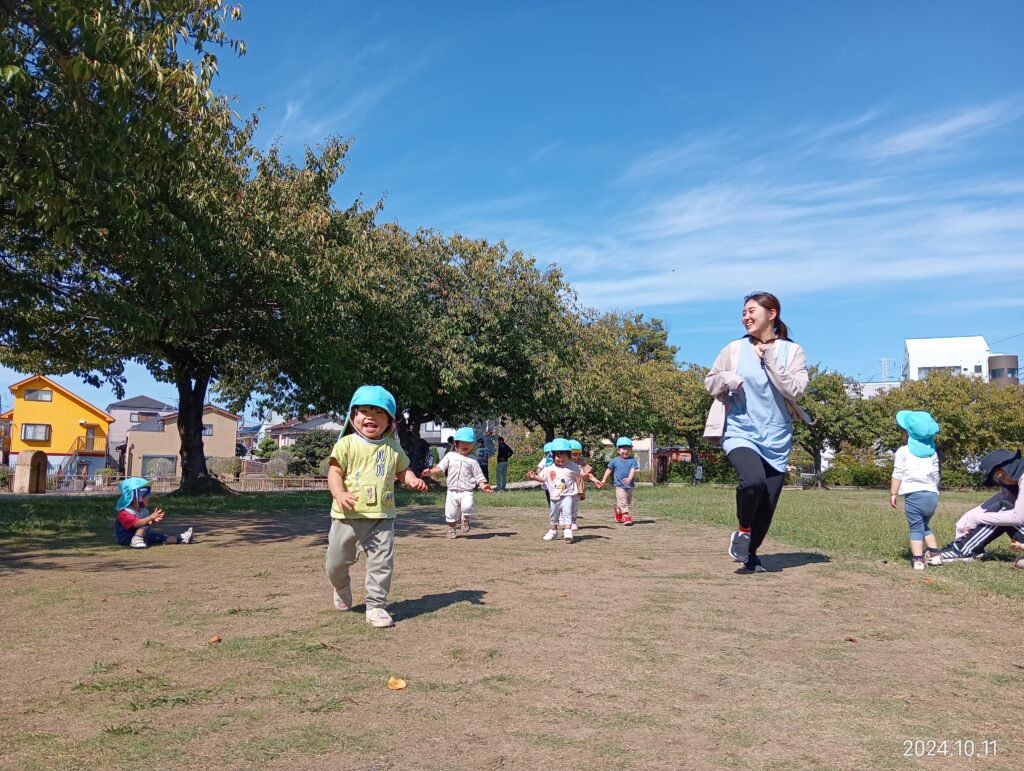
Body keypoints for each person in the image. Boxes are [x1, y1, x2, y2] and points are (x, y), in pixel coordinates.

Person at [704, 291, 811, 573]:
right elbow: (710, 382)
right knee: (752, 481)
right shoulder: (733, 349)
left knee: (767, 504)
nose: (746, 317)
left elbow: (795, 390)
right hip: (740, 431)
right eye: (744, 313)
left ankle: (750, 554)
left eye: (752, 311)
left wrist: (770, 359)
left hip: (777, 438)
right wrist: (727, 378)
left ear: (772, 314)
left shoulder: (793, 351)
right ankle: (742, 531)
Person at [325, 385, 428, 628]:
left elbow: (402, 470)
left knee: (381, 562)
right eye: (364, 411)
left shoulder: (393, 447)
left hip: (382, 516)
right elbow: (334, 471)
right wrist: (339, 493)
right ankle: (341, 587)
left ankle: (376, 605)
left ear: (390, 422)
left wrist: (411, 479)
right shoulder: (346, 444)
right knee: (335, 562)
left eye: (380, 412)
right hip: (346, 516)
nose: (371, 417)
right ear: (353, 417)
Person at [938, 449, 1024, 565]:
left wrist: (977, 519)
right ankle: (962, 546)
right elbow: (995, 501)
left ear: (1010, 466)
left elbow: (1017, 517)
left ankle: (963, 550)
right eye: (1001, 479)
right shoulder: (1016, 481)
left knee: (1004, 509)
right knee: (1002, 506)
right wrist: (967, 519)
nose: (1007, 481)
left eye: (1004, 475)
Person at [888, 410, 942, 570]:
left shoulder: (903, 452)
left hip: (914, 496)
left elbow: (897, 473)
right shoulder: (932, 453)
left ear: (907, 433)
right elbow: (936, 475)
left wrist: (893, 493)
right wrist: (935, 489)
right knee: (924, 525)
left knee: (915, 529)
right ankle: (934, 555)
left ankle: (918, 560)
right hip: (932, 496)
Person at [422, 426, 493, 537]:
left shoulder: (473, 460)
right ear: (456, 443)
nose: (465, 445)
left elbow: (479, 475)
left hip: (467, 490)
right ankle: (452, 529)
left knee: (467, 506)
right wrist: (430, 472)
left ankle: (465, 518)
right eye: (462, 443)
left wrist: (483, 485)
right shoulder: (450, 456)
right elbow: (440, 468)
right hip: (452, 490)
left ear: (472, 444)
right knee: (451, 512)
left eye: (468, 443)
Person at [114, 477, 193, 548]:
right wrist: (150, 518)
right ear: (134, 498)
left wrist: (152, 520)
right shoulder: (124, 513)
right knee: (145, 525)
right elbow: (136, 524)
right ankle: (136, 539)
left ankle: (181, 539)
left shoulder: (143, 510)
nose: (148, 498)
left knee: (159, 536)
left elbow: (145, 523)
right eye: (145, 496)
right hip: (127, 539)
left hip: (143, 537)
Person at [527, 438, 581, 542]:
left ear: (568, 455)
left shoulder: (573, 466)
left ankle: (567, 530)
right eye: (557, 456)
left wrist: (588, 477)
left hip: (567, 495)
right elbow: (542, 478)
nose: (560, 459)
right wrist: (534, 477)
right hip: (554, 496)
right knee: (553, 514)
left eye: (563, 456)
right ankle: (553, 531)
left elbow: (581, 474)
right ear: (553, 456)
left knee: (567, 511)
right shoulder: (549, 468)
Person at [600, 437, 640, 526]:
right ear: (618, 450)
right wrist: (604, 480)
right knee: (623, 501)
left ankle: (618, 510)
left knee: (627, 501)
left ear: (631, 450)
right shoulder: (615, 461)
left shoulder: (633, 460)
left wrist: (630, 478)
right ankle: (626, 516)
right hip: (619, 486)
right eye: (623, 448)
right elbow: (608, 470)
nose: (625, 451)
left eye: (628, 448)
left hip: (630, 486)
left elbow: (633, 470)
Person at [569, 439, 602, 531]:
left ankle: (573, 522)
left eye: (577, 454)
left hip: (577, 488)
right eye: (572, 454)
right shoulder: (564, 463)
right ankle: (565, 520)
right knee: (565, 505)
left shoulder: (581, 463)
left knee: (575, 505)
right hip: (565, 487)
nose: (574, 456)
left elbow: (589, 474)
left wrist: (596, 481)